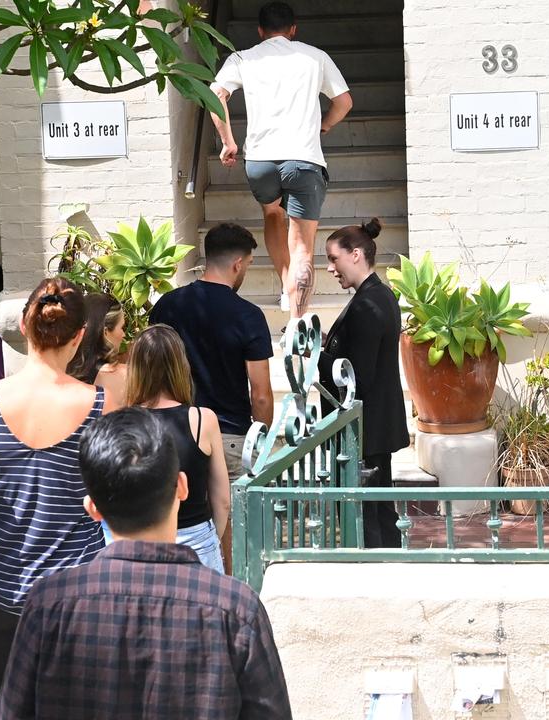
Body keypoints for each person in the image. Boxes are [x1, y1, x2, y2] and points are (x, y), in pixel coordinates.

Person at [0, 408, 292, 719]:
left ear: (92, 507)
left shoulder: (47, 606)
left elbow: (14, 711)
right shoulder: (236, 611)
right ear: (182, 486)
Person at [0, 276, 106, 718]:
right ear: (81, 337)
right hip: (78, 592)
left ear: (25, 327)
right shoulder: (101, 405)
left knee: (6, 693)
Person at [209, 1, 353, 319]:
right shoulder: (315, 57)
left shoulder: (243, 58)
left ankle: (287, 288)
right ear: (293, 30)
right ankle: (298, 321)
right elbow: (344, 101)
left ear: (260, 31)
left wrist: (228, 142)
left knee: (273, 214)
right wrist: (325, 125)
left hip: (261, 161)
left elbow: (215, 93)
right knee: (302, 245)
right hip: (303, 160)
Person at [149, 222, 273, 571]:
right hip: (230, 435)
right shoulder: (248, 315)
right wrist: (259, 441)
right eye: (248, 265)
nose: (245, 271)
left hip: (172, 431)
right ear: (237, 263)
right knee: (230, 531)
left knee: (174, 518)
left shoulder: (167, 306)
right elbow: (261, 393)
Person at [318, 218, 410, 548]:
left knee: (368, 514)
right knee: (378, 510)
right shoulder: (377, 295)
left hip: (366, 429)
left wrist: (316, 354)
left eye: (333, 258)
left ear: (355, 254)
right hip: (373, 426)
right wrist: (331, 344)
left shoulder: (369, 303)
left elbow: (358, 375)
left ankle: (377, 571)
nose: (330, 268)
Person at [124, 324, 231, 573]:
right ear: (180, 365)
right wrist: (212, 537)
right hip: (196, 539)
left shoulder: (125, 421)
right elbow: (222, 499)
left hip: (142, 537)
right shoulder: (203, 419)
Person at [65, 292, 127, 411]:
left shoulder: (61, 371)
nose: (124, 335)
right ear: (105, 332)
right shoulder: (125, 376)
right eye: (122, 327)